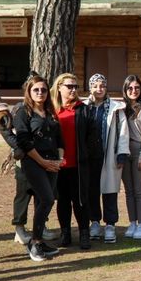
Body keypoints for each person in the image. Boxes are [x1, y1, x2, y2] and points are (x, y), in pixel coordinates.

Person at [13, 75, 63, 263]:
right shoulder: (22, 112)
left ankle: (39, 240)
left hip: (52, 162)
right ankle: (34, 242)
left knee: (48, 201)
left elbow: (59, 138)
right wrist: (43, 162)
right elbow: (23, 142)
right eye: (36, 90)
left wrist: (60, 159)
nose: (40, 93)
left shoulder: (50, 112)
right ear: (29, 92)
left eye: (43, 89)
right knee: (47, 198)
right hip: (33, 163)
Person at [52, 73, 100, 250]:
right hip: (57, 165)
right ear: (59, 88)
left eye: (75, 87)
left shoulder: (84, 109)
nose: (73, 90)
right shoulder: (52, 110)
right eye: (69, 86)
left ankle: (84, 233)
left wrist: (88, 156)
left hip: (79, 164)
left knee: (80, 201)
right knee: (62, 201)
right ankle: (65, 233)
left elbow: (93, 135)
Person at [84, 73, 129, 244]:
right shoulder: (84, 107)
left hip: (109, 154)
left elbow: (123, 132)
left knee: (110, 191)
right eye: (95, 85)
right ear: (90, 88)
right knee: (92, 190)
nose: (99, 89)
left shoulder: (116, 109)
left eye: (102, 85)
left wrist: (122, 153)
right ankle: (94, 222)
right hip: (89, 156)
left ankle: (110, 225)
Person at [121, 75, 141, 240]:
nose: (133, 91)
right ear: (125, 90)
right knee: (129, 191)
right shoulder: (122, 108)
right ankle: (132, 222)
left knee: (139, 190)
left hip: (139, 149)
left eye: (137, 88)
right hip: (124, 151)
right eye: (130, 88)